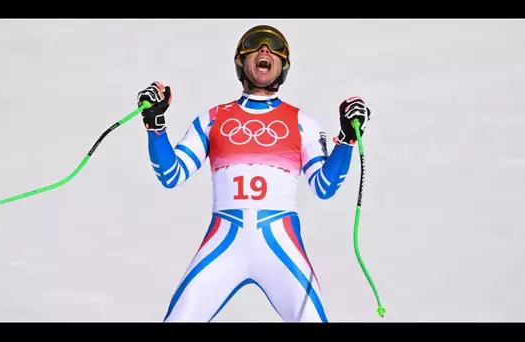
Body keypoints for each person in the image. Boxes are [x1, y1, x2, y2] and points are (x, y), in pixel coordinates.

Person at [136, 24, 371, 322]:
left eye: (273, 47)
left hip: (280, 247)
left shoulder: (301, 123)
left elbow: (324, 187)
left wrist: (348, 139)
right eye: (255, 45)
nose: (264, 50)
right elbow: (172, 175)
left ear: (283, 66)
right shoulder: (213, 118)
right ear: (240, 63)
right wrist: (155, 124)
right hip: (224, 246)